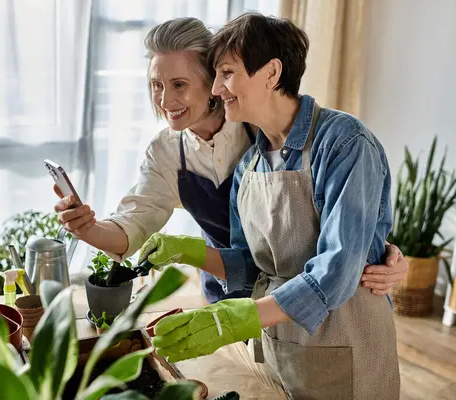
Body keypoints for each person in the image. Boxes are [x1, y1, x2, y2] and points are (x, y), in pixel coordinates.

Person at [54, 17, 407, 305]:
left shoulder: (263, 126)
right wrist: (88, 229)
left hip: (309, 293)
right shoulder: (165, 152)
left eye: (179, 84)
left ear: (212, 82)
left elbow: (332, 223)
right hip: (229, 287)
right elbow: (133, 226)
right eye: (156, 85)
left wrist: (377, 250)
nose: (164, 100)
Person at [141, 13, 400, 399]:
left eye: (226, 73)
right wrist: (188, 251)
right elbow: (249, 267)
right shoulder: (250, 165)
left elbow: (340, 269)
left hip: (348, 336)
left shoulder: (343, 143)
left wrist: (240, 318)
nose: (215, 88)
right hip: (282, 344)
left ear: (272, 73)